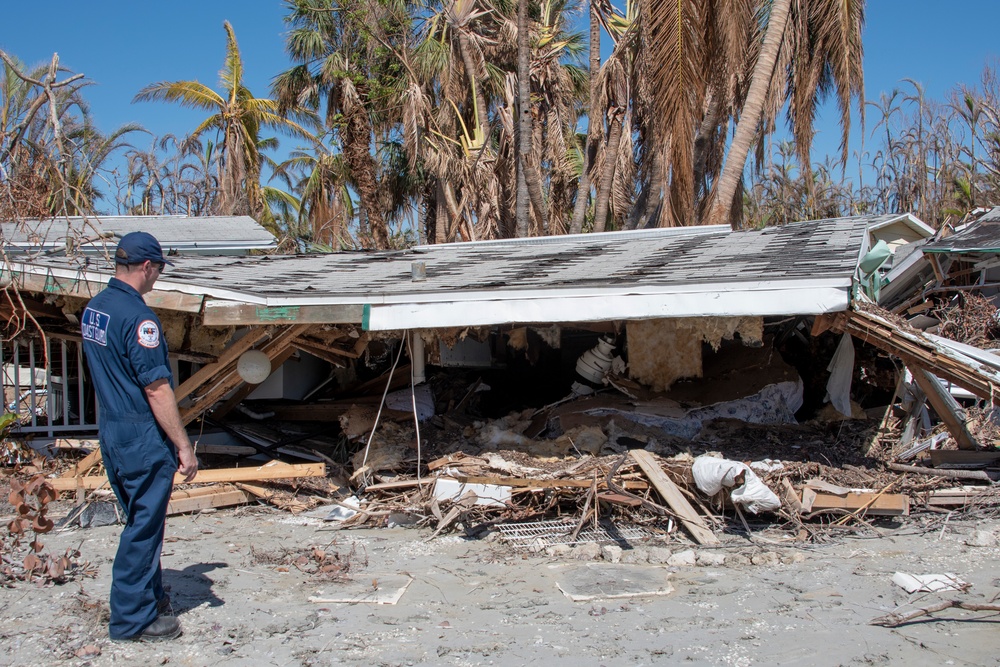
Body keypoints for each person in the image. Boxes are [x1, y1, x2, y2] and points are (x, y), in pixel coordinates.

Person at [80, 231, 198, 641]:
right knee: (144, 527)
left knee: (139, 518)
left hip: (112, 430)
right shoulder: (139, 318)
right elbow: (156, 388)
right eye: (159, 270)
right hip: (140, 434)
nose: (158, 279)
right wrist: (184, 446)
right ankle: (133, 619)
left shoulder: (95, 310)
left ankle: (150, 597)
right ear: (147, 267)